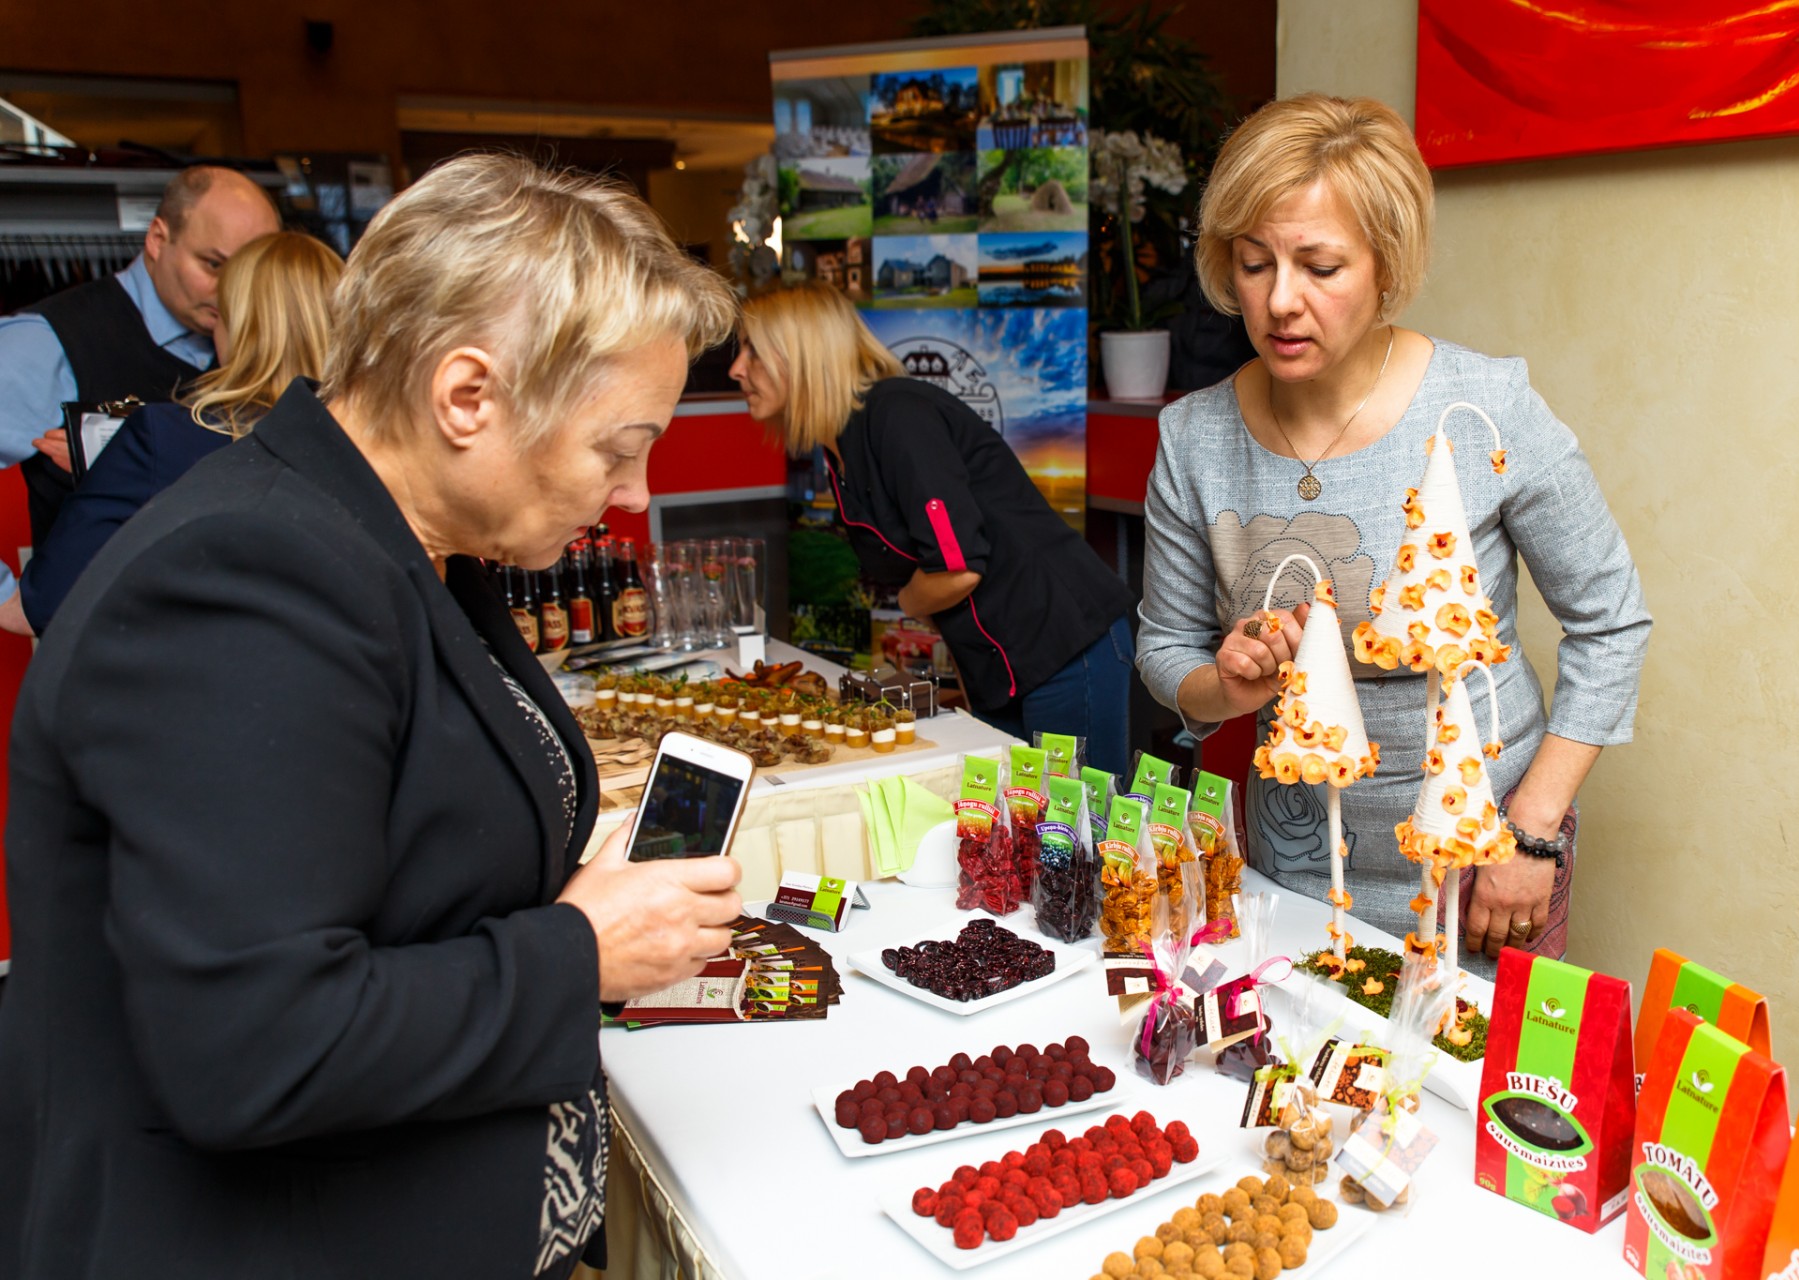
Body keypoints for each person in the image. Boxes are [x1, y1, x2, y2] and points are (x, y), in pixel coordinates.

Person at [0, 154, 742, 1278]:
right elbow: (259, 1045)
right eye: (619, 445)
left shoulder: (405, 548)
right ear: (466, 395)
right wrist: (578, 950)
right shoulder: (248, 576)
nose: (632, 492)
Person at [1135, 95, 1651, 976]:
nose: (1280, 301)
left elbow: (1612, 624)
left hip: (1483, 853)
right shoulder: (1194, 438)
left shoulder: (1484, 408)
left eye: (1321, 267)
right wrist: (1223, 686)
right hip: (1297, 856)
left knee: (1464, 1097)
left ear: (1386, 266)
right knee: (1307, 1091)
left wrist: (1532, 838)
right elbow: (1164, 648)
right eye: (1255, 264)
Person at [730, 284, 1136, 775]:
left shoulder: (896, 414)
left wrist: (907, 603)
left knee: (1074, 830)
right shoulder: (839, 446)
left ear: (802, 352)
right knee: (1013, 827)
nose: (737, 368)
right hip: (996, 666)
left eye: (752, 348)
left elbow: (957, 569)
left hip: (1064, 643)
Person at [0, 165, 280, 634]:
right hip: (106, 663)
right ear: (157, 239)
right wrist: (10, 602)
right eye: (213, 265)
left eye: (247, 272)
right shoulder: (47, 342)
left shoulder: (260, 344)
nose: (230, 291)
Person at [19, 230, 343, 632]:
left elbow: (47, 604)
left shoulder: (163, 438)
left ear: (240, 326)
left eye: (220, 315)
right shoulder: (375, 441)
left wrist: (112, 471)